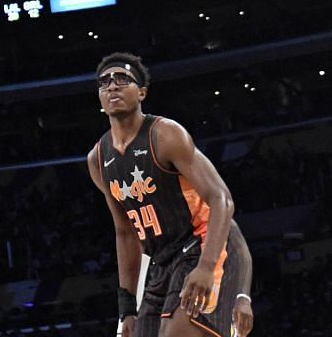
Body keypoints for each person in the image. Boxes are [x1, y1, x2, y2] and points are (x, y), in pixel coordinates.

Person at [87, 53, 254, 337]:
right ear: (100, 97)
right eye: (105, 82)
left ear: (141, 92)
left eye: (123, 79)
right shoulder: (98, 159)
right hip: (161, 262)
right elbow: (125, 233)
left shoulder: (165, 134)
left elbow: (221, 199)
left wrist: (207, 266)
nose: (112, 86)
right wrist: (126, 307)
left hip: (199, 245)